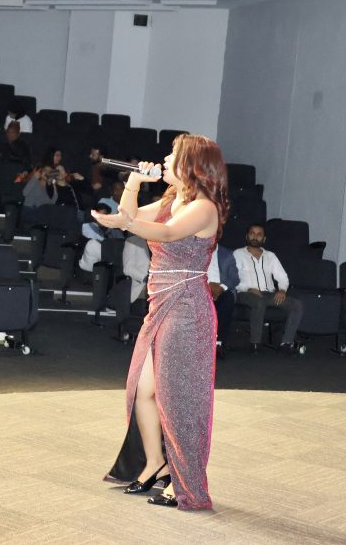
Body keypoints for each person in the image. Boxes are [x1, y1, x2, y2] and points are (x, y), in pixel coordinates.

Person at [92, 133, 229, 511]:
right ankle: (156, 462)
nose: (165, 160)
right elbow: (133, 216)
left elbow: (165, 233)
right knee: (142, 390)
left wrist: (125, 222)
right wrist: (134, 182)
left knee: (177, 398)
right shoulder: (172, 200)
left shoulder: (204, 207)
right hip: (160, 305)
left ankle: (186, 482)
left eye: (173, 155)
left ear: (192, 166)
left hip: (186, 309)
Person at [233, 224, 304, 355]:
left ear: (264, 239)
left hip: (268, 294)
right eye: (252, 233)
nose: (255, 237)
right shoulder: (238, 254)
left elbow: (283, 277)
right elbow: (232, 278)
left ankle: (286, 342)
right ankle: (255, 343)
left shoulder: (271, 256)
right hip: (245, 293)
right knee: (258, 302)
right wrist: (248, 288)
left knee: (296, 304)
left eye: (259, 234)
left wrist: (282, 290)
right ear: (247, 236)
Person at [207, 243, 240, 359]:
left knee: (227, 300)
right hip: (202, 288)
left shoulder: (227, 254)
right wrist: (208, 286)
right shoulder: (196, 251)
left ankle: (219, 343)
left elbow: (235, 278)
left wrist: (221, 288)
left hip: (223, 289)